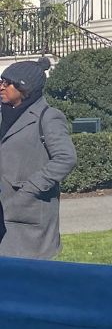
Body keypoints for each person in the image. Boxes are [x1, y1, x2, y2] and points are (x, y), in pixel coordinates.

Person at [0, 57, 77, 259]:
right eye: (1, 81)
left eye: (8, 83)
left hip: (28, 215)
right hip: (3, 211)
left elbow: (65, 158)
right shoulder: (3, 115)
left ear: (25, 88)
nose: (2, 87)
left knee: (27, 283)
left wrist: (30, 189)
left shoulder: (48, 117)